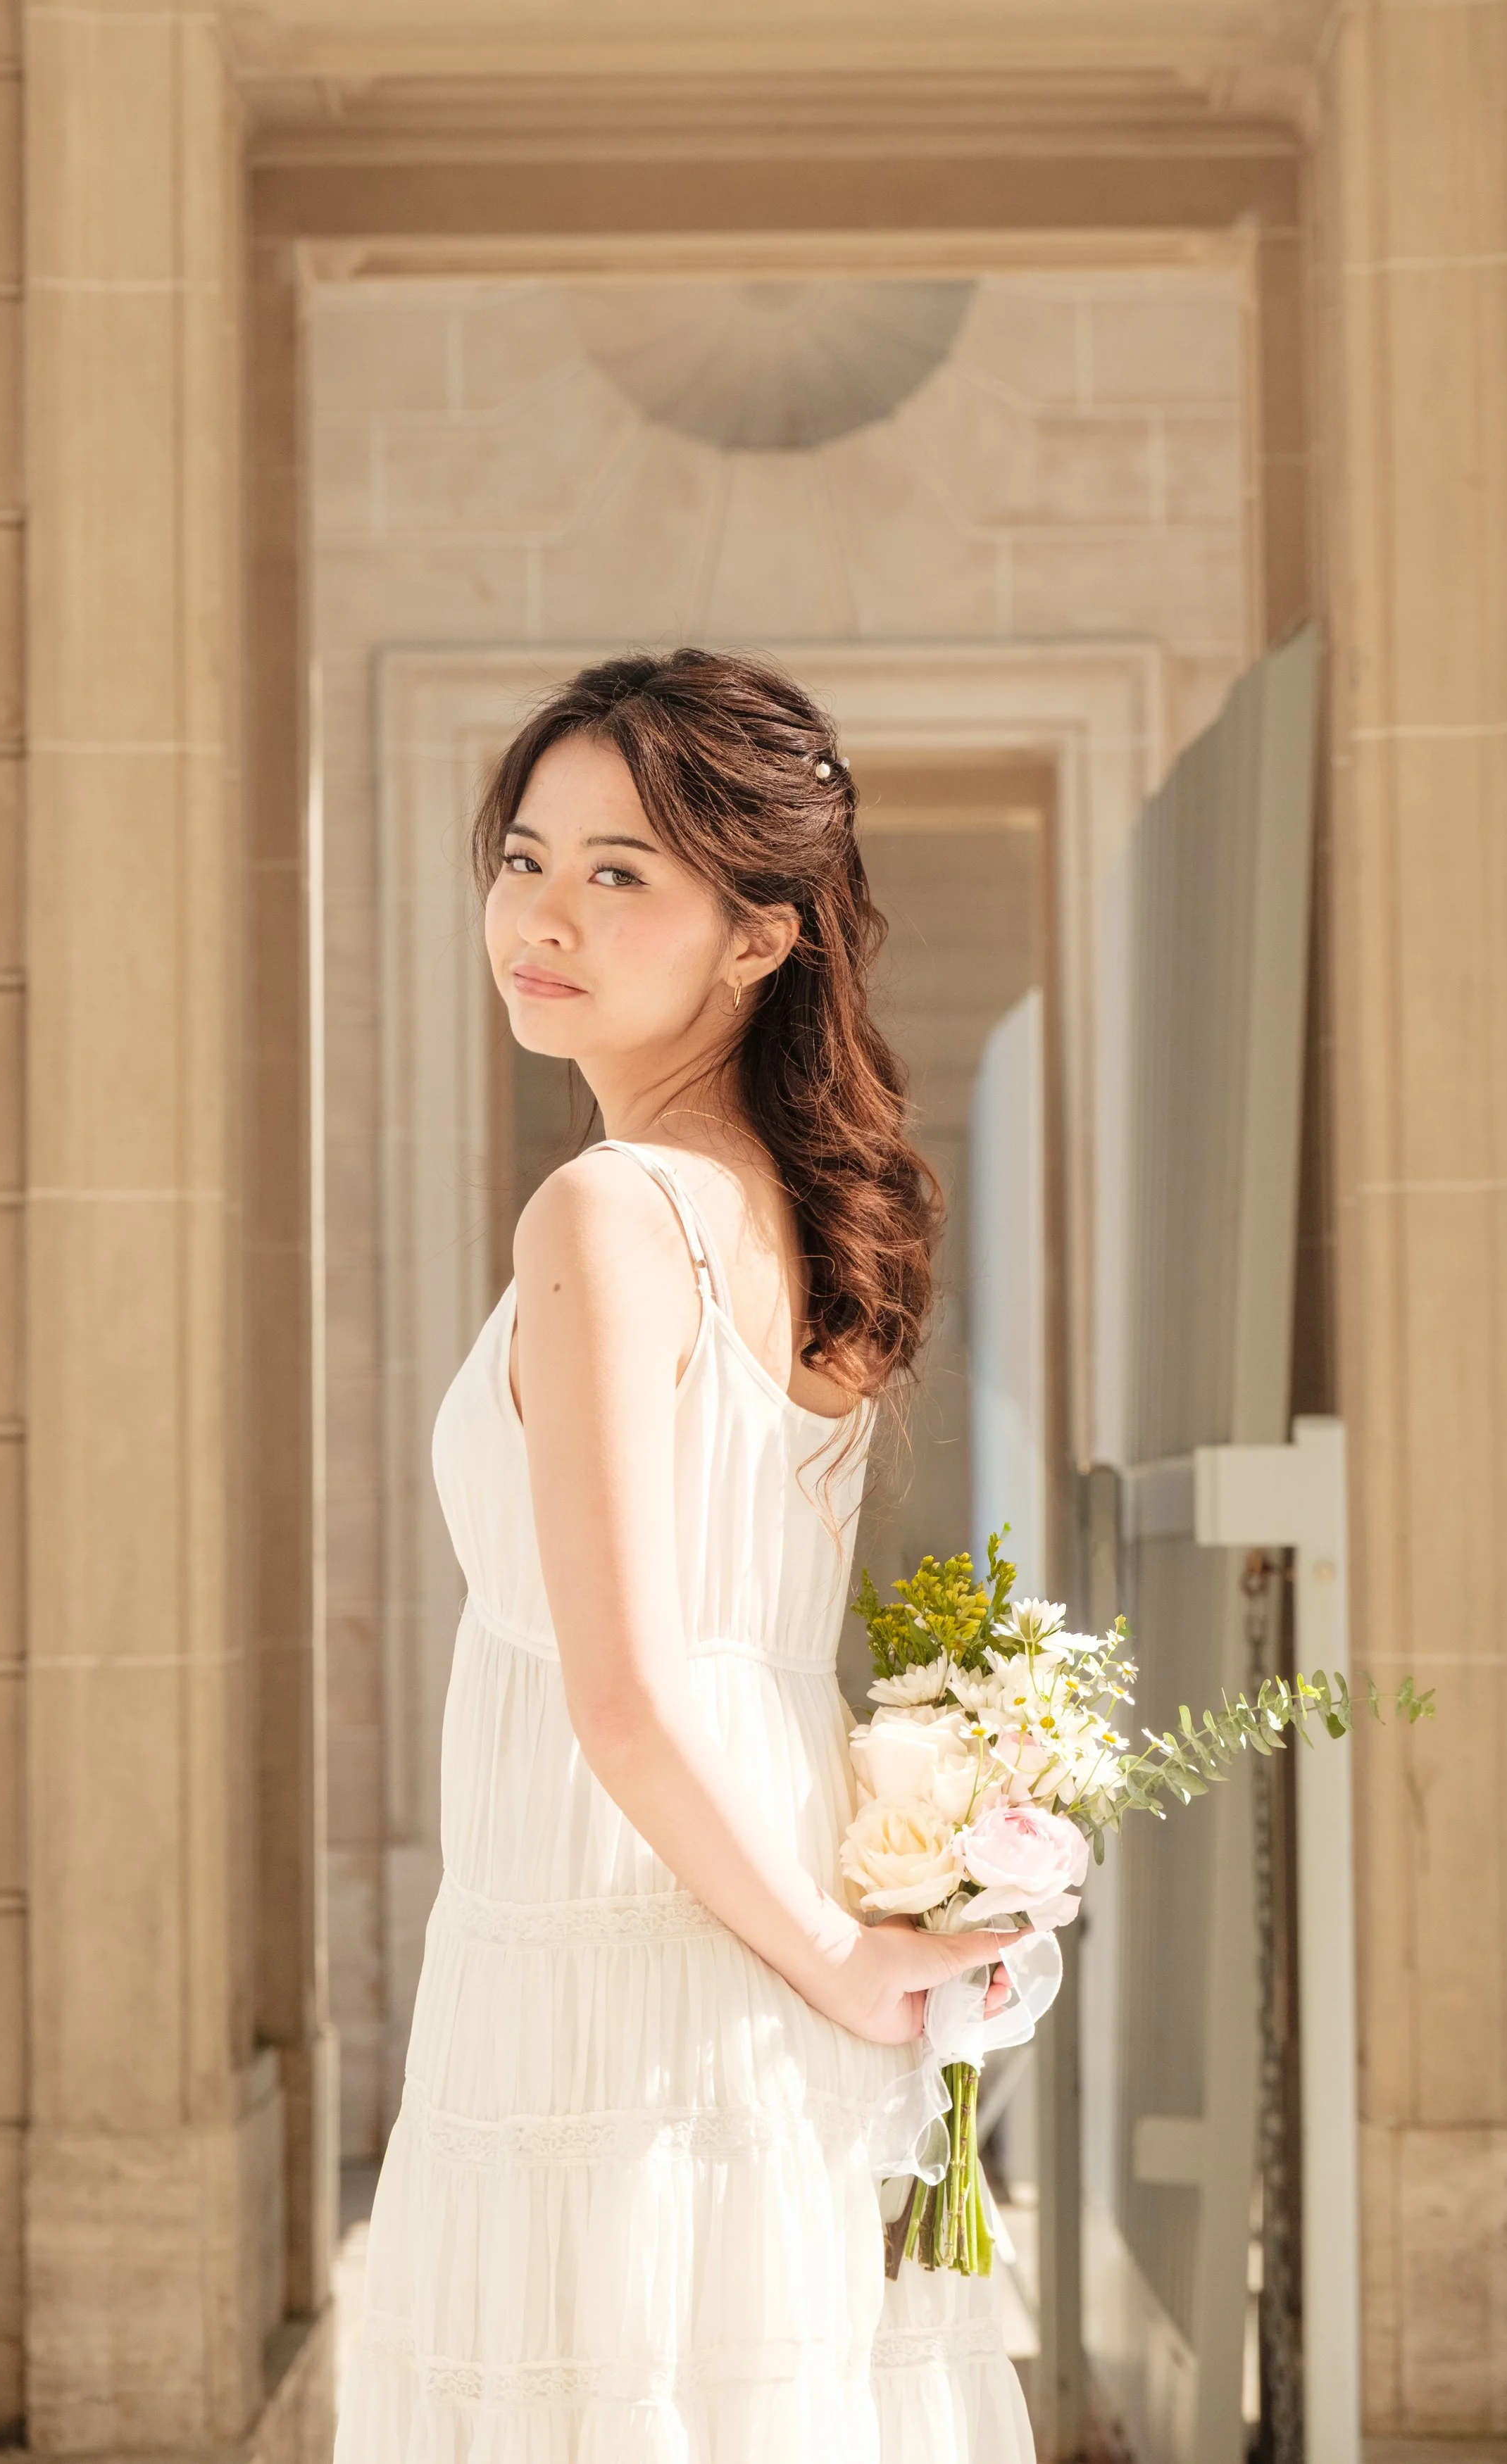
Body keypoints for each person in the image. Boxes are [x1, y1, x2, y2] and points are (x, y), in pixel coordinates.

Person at [335, 649, 1036, 2460]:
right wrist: (832, 1955)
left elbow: (629, 1695)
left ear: (760, 932)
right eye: (521, 857)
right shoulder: (793, 1219)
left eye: (618, 871)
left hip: (630, 1956)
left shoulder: (610, 1206)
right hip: (741, 1935)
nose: (540, 915)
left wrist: (833, 1954)